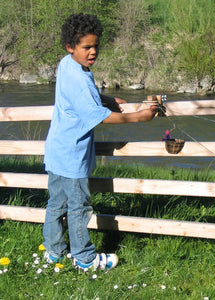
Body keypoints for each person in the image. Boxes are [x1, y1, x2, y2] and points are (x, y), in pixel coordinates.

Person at [42, 13, 158, 272]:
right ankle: (84, 258)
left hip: (56, 150)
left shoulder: (67, 64)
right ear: (70, 46)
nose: (93, 51)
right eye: (86, 47)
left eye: (96, 46)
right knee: (78, 207)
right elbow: (99, 118)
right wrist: (138, 116)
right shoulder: (80, 79)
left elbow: (85, 98)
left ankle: (53, 252)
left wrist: (105, 98)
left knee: (55, 205)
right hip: (72, 156)